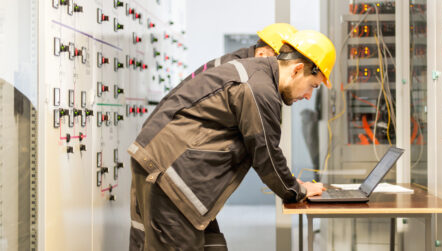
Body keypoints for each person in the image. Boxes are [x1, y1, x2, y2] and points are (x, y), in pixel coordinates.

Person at [128, 30, 336, 250]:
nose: (308, 96)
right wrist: (296, 190)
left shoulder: (257, 75)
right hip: (170, 175)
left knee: (212, 246)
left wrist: (293, 186)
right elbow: (266, 153)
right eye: (313, 86)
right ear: (297, 70)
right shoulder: (259, 88)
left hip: (171, 170)